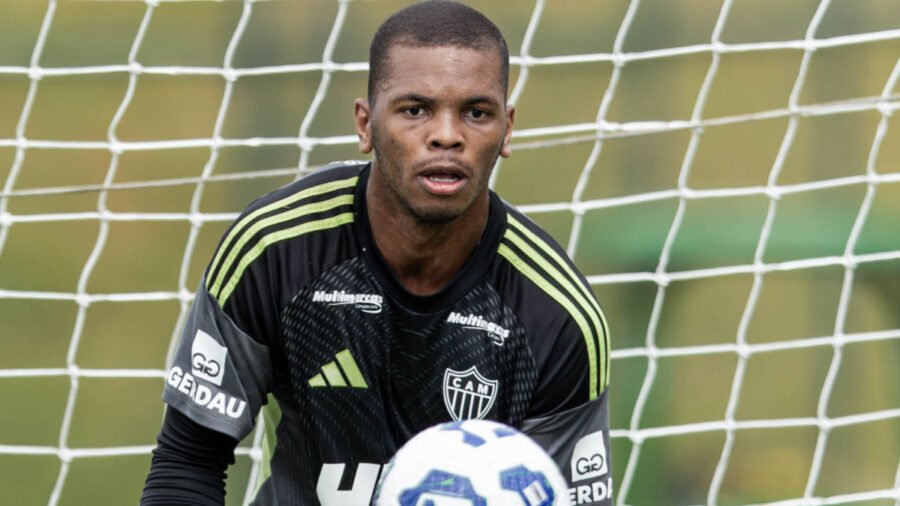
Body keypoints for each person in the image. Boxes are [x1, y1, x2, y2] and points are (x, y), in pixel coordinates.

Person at [141, 1, 611, 505]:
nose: (447, 136)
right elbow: (188, 462)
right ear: (365, 125)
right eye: (414, 110)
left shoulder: (554, 314)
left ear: (507, 130)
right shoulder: (274, 249)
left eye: (476, 113)